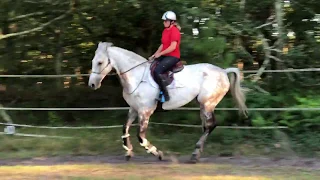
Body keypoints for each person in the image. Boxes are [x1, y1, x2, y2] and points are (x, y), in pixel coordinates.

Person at [149, 10, 181, 102]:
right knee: (151, 66)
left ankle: (165, 94)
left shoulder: (174, 31)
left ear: (172, 22)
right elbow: (163, 45)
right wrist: (155, 54)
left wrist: (160, 54)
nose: (164, 22)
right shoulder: (165, 31)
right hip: (165, 55)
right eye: (164, 21)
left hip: (173, 56)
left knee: (157, 71)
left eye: (166, 21)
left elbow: (173, 47)